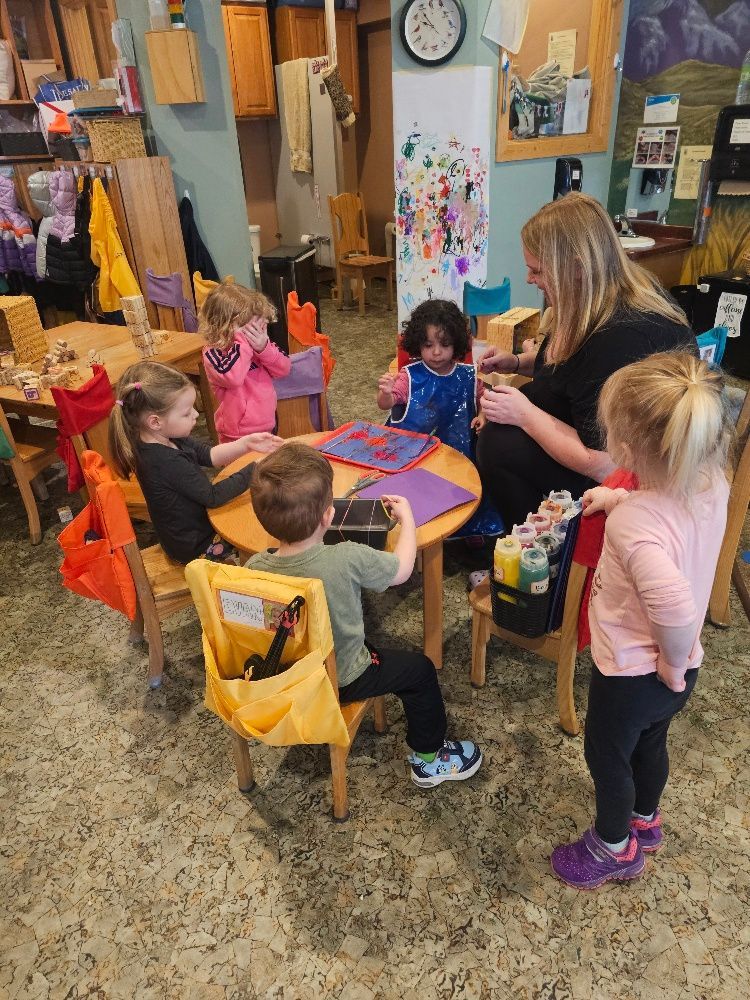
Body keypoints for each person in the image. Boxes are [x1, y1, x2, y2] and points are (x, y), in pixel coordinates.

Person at [551, 352, 730, 889]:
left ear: (628, 448)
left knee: (607, 755)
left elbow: (671, 604)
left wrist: (670, 663)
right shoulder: (710, 481)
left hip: (634, 670)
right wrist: (619, 496)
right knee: (651, 744)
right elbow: (667, 517)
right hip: (679, 670)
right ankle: (646, 821)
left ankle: (612, 849)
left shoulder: (634, 524)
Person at [246, 442, 483, 788]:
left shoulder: (254, 566)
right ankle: (429, 759)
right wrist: (408, 520)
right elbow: (402, 571)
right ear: (329, 514)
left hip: (287, 674)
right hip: (342, 676)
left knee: (373, 646)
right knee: (420, 671)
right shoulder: (345, 557)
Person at [476, 193, 694, 528]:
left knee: (498, 443)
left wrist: (526, 416)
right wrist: (518, 362)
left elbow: (605, 464)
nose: (529, 280)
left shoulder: (619, 338)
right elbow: (569, 369)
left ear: (576, 267)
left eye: (537, 271)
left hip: (631, 480)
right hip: (596, 442)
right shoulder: (593, 303)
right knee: (500, 427)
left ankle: (541, 550)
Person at [109, 361, 282, 565]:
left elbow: (209, 455)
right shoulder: (164, 462)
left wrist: (246, 443)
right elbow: (213, 497)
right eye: (186, 412)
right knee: (262, 538)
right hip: (196, 548)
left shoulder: (166, 436)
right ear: (155, 421)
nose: (195, 415)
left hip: (193, 531)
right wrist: (257, 468)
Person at [377, 298, 501, 536]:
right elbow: (388, 404)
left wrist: (483, 415)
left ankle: (467, 529)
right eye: (428, 344)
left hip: (458, 455)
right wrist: (385, 393)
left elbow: (485, 397)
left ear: (456, 343)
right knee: (417, 503)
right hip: (413, 457)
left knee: (465, 495)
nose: (436, 352)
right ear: (417, 344)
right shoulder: (408, 376)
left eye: (444, 344)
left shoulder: (467, 375)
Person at [200, 281, 291, 443]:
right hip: (237, 434)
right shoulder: (213, 352)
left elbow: (284, 369)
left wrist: (264, 348)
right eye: (247, 326)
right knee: (241, 469)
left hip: (267, 423)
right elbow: (232, 378)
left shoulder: (259, 345)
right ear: (223, 326)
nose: (254, 332)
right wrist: (242, 344)